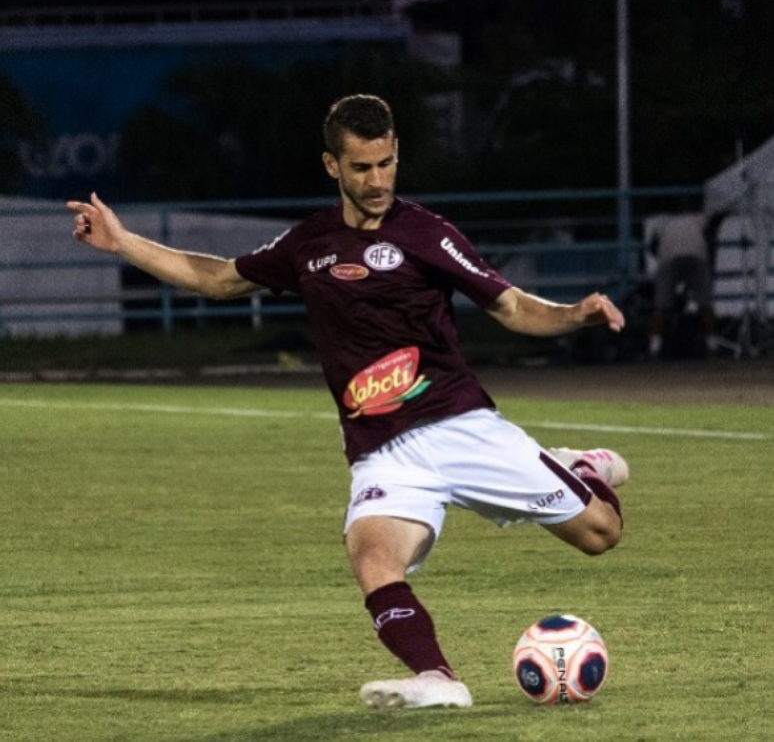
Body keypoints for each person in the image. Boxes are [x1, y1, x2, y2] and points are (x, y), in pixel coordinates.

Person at [67, 94, 629, 710]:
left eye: (386, 163)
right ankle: (438, 678)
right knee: (371, 557)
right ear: (332, 165)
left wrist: (575, 314)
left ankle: (577, 468)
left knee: (601, 534)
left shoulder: (427, 234)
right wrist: (123, 242)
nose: (378, 180)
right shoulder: (310, 243)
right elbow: (219, 278)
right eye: (362, 168)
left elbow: (512, 305)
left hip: (459, 424)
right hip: (381, 450)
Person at [647, 200, 717, 358]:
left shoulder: (661, 222)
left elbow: (652, 247)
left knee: (661, 305)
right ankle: (712, 343)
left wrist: (664, 257)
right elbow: (710, 239)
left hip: (669, 259)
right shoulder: (699, 219)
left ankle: (654, 346)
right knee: (705, 303)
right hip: (696, 258)